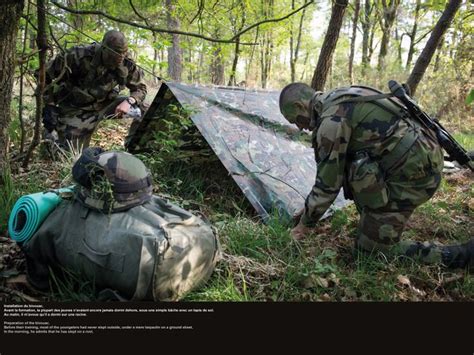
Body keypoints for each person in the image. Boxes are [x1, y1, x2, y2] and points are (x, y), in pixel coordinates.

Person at [279, 82, 473, 269]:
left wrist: (304, 225)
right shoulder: (342, 95)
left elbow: (327, 186)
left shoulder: (331, 121)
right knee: (360, 175)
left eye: (295, 119)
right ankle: (380, 217)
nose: (300, 127)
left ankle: (461, 256)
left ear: (300, 105)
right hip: (420, 158)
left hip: (417, 175)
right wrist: (308, 211)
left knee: (371, 252)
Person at [42, 30, 147, 151]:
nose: (121, 57)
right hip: (76, 110)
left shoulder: (127, 62)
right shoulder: (77, 55)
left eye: (124, 52)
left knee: (145, 109)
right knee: (69, 153)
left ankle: (135, 150)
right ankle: (52, 134)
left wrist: (129, 101)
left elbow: (140, 88)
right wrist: (49, 105)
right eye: (116, 52)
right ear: (103, 48)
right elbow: (44, 75)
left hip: (106, 104)